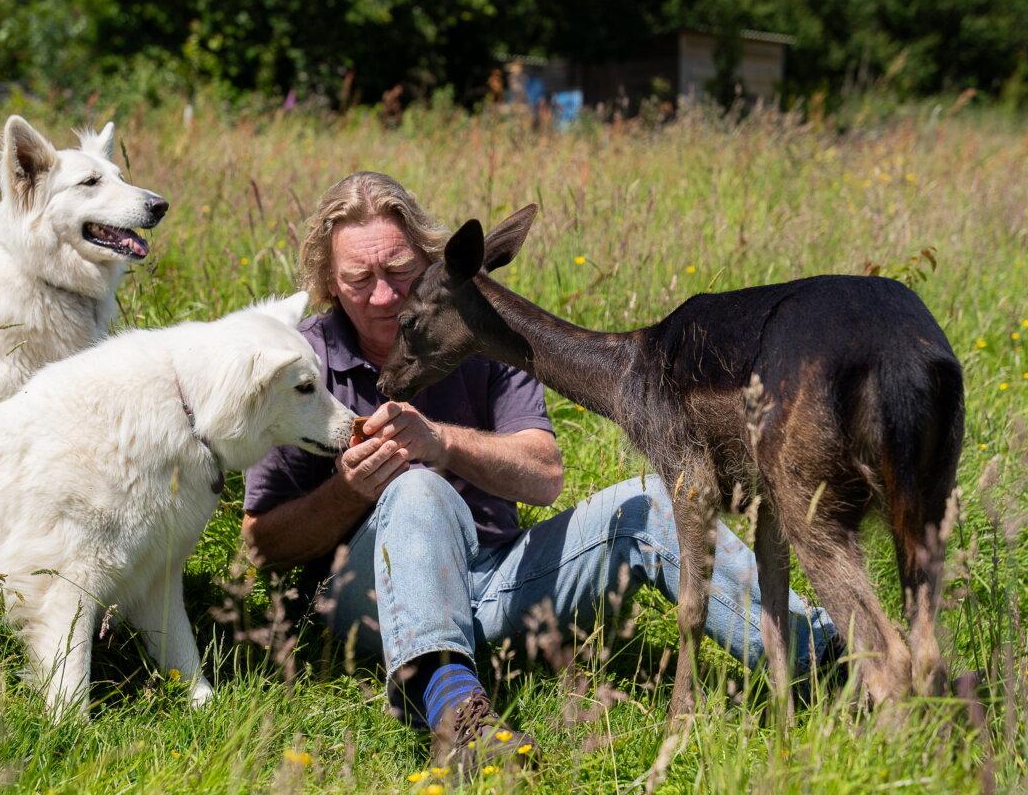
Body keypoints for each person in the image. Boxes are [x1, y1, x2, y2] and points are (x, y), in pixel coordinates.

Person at [242, 171, 837, 773]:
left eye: (398, 271)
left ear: (429, 258)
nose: (384, 296)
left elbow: (545, 473)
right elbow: (262, 544)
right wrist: (350, 492)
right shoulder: (300, 362)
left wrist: (443, 443)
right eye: (358, 280)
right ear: (329, 284)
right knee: (416, 487)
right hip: (371, 604)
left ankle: (826, 657)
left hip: (501, 584)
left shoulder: (481, 331)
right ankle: (457, 719)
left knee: (654, 500)